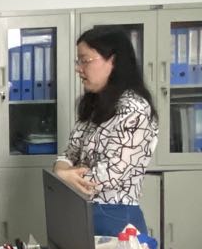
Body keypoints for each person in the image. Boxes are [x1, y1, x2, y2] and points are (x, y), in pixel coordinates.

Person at [54, 26, 159, 237]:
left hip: (115, 217)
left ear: (113, 61)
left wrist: (65, 175)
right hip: (83, 210)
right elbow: (69, 154)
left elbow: (109, 175)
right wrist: (62, 171)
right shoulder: (95, 104)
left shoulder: (134, 109)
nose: (78, 68)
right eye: (78, 61)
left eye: (85, 60)